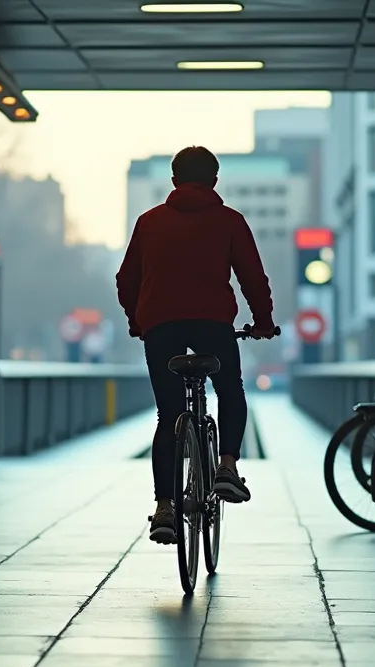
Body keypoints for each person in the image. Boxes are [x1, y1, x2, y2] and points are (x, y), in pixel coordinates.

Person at [115, 146, 276, 545]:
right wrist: (263, 323)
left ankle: (165, 508)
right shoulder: (230, 221)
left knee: (168, 415)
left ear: (174, 181)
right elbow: (253, 278)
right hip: (212, 325)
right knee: (231, 391)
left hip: (161, 328)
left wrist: (139, 321)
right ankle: (226, 466)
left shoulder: (149, 222)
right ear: (215, 180)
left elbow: (126, 280)